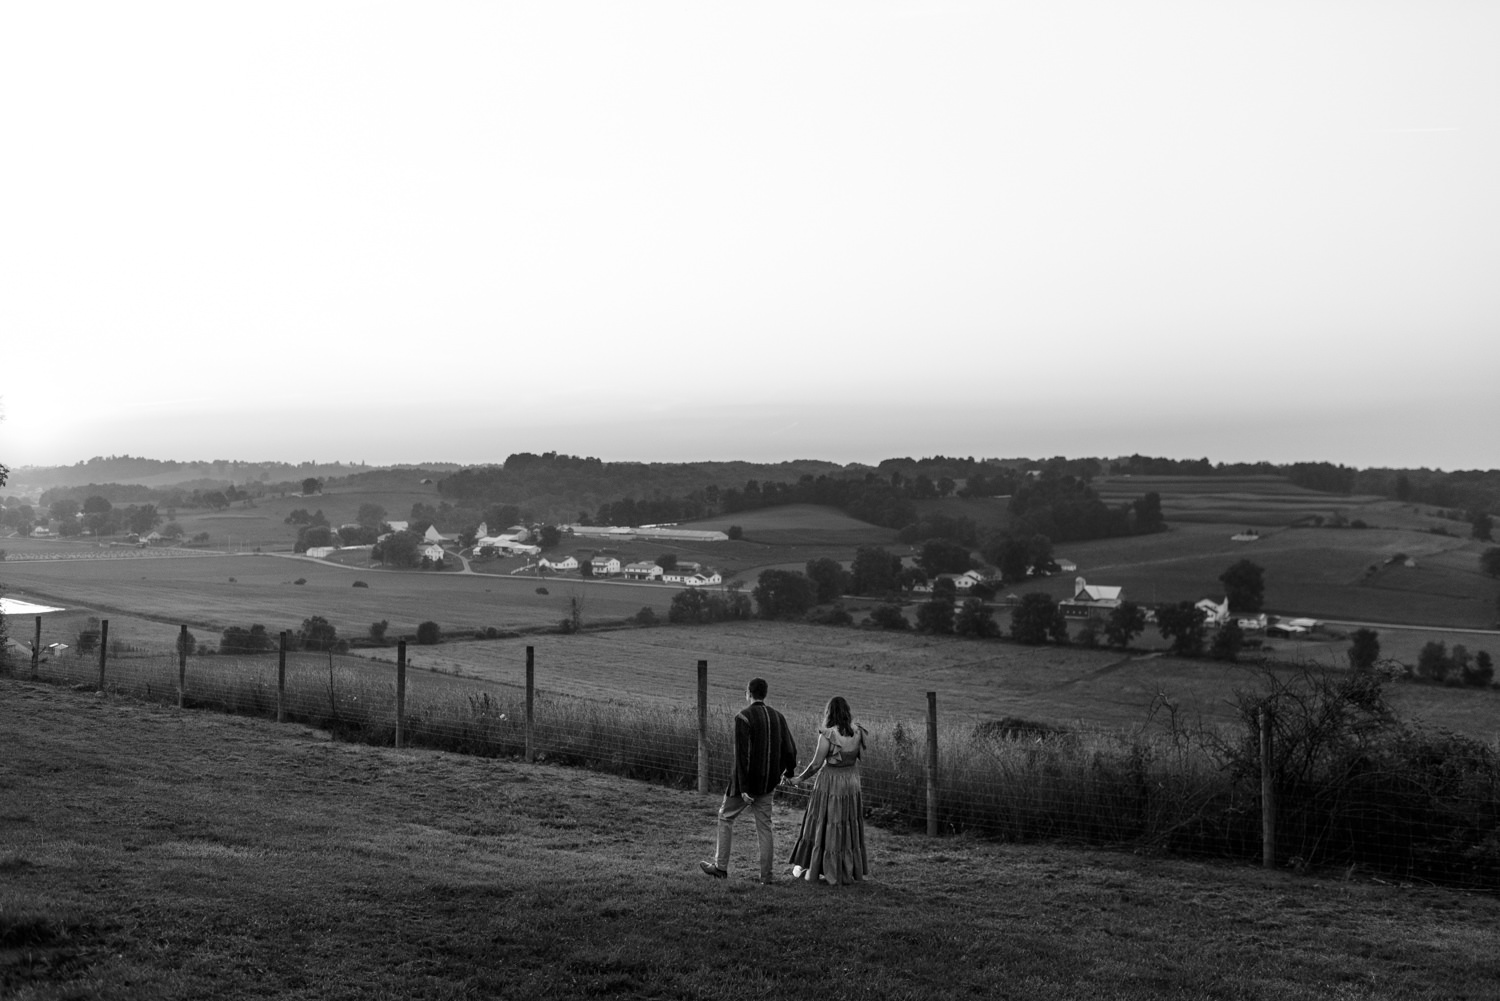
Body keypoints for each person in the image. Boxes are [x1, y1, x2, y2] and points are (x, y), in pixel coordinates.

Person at [700, 678, 798, 885]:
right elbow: (790, 749)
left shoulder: (743, 717)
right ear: (765, 693)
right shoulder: (778, 717)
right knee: (765, 827)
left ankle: (720, 867)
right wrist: (788, 772)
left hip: (746, 785)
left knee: (725, 817)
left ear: (748, 693)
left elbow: (742, 756)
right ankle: (766, 876)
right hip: (769, 783)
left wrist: (743, 788)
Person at [786, 696, 868, 886]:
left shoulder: (828, 734)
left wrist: (799, 778)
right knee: (846, 825)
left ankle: (818, 867)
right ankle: (844, 868)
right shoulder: (858, 732)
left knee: (825, 822)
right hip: (851, 783)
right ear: (847, 712)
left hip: (830, 784)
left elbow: (816, 764)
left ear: (829, 713)